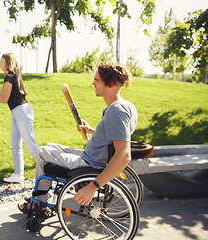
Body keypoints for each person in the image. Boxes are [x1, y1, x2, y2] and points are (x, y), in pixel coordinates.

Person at [18, 61, 138, 212]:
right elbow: (115, 135)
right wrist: (91, 130)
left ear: (111, 84)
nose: (93, 83)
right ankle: (40, 195)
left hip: (91, 163)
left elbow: (124, 155)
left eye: (97, 80)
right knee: (50, 146)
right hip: (94, 156)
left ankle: (40, 202)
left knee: (43, 152)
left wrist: (93, 186)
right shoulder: (125, 106)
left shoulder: (116, 111)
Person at [0, 53, 40, 183]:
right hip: (17, 112)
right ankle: (18, 175)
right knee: (15, 145)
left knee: (30, 145)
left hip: (22, 112)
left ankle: (51, 169)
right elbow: (0, 96)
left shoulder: (10, 77)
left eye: (1, 61)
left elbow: (4, 100)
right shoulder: (8, 77)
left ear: (8, 63)